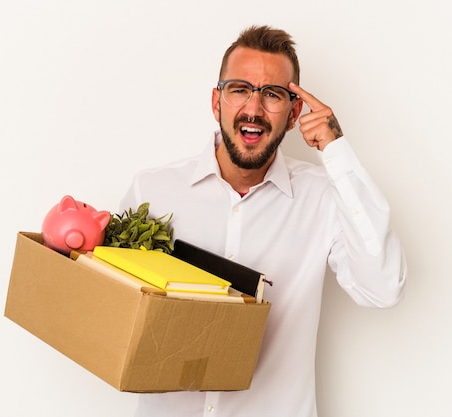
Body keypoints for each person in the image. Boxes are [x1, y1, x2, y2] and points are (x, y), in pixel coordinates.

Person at [120, 25, 407, 417]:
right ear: (215, 102)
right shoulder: (152, 191)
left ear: (293, 115)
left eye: (272, 95)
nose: (253, 109)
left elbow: (383, 288)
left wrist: (336, 152)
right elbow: (116, 315)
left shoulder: (324, 197)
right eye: (239, 89)